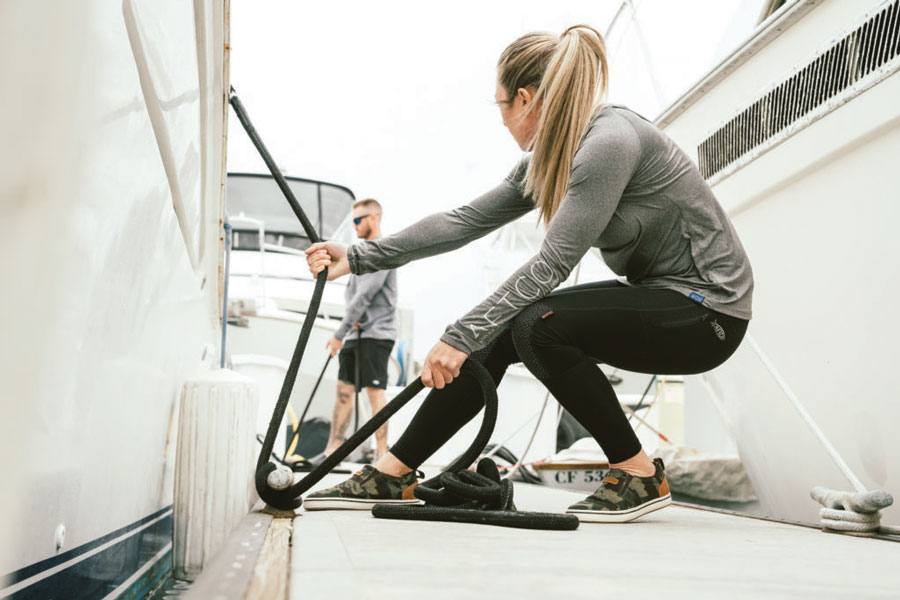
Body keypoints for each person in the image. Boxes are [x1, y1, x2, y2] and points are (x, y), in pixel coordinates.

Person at [301, 25, 753, 520]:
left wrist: (459, 334)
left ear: (525, 98)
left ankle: (639, 475)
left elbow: (553, 264)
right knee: (506, 329)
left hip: (709, 313)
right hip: (664, 298)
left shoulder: (608, 143)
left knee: (537, 323)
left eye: (500, 106)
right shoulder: (550, 159)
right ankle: (392, 475)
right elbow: (464, 222)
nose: (501, 120)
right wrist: (361, 256)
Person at [321, 198, 398, 464]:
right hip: (356, 335)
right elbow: (352, 296)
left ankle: (382, 454)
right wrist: (348, 329)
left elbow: (364, 297)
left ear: (373, 218)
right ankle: (332, 452)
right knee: (343, 391)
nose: (354, 226)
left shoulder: (383, 252)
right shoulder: (359, 253)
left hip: (377, 335)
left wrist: (338, 334)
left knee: (374, 392)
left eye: (358, 220)